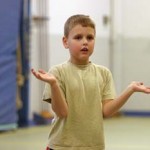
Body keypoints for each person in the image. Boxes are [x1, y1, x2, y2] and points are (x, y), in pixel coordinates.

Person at [31, 14, 150, 150]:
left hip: (94, 146)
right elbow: (62, 113)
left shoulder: (103, 73)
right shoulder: (57, 72)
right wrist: (54, 85)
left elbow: (106, 111)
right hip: (61, 146)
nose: (85, 42)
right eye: (78, 37)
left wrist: (130, 90)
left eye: (90, 37)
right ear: (65, 42)